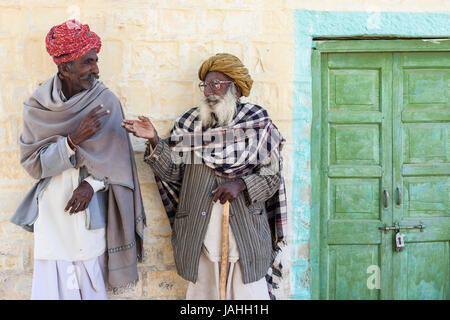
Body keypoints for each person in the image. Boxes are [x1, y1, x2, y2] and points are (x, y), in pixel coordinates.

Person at [122, 53, 287, 300]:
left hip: (246, 237)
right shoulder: (189, 124)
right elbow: (173, 172)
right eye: (205, 85)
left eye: (216, 84)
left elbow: (272, 176)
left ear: (236, 89)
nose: (209, 91)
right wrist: (155, 140)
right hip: (201, 235)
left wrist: (241, 184)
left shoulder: (258, 125)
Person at [10, 20, 146, 300]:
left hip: (88, 210)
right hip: (53, 213)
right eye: (88, 62)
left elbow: (118, 161)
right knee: (53, 284)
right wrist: (72, 140)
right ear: (65, 68)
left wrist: (91, 186)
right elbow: (34, 166)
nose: (96, 69)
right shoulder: (37, 107)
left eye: (96, 61)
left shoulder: (106, 101)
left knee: (89, 277)